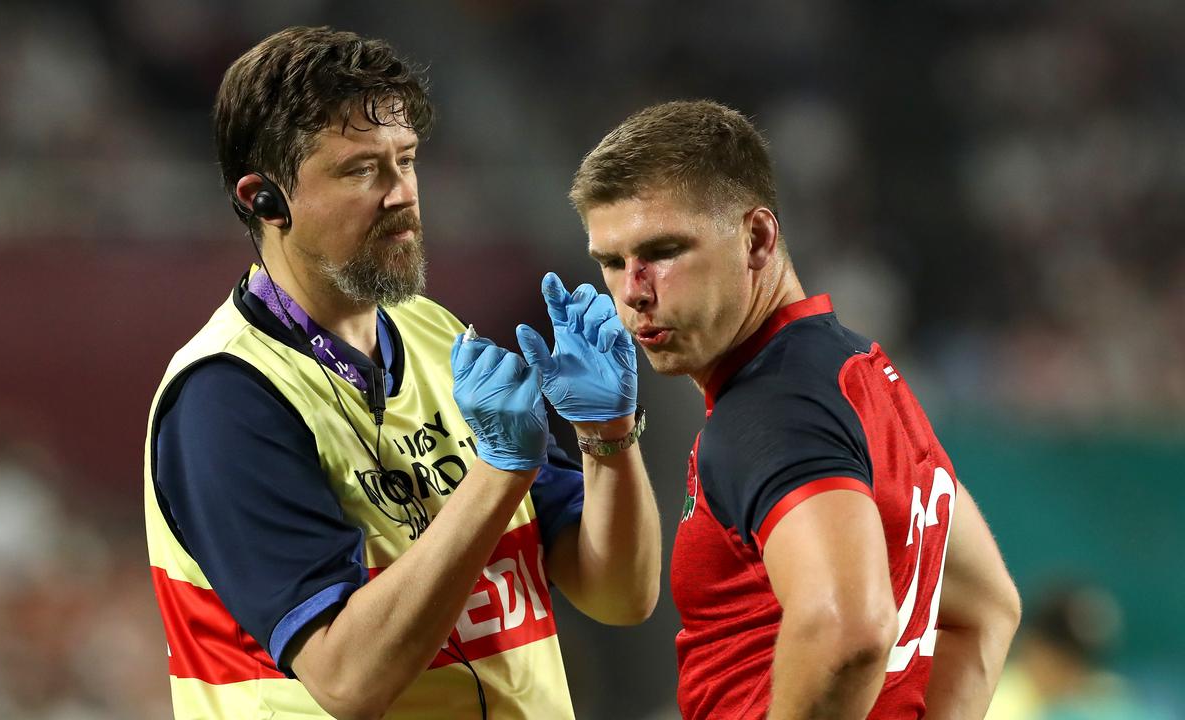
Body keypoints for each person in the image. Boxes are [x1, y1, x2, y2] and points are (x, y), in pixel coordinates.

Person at [142, 27, 660, 720]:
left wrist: (607, 438)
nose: (401, 194)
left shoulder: (436, 333)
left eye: (406, 160)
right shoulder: (224, 398)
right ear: (264, 199)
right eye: (360, 171)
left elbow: (618, 594)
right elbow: (347, 677)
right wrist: (499, 471)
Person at [566, 99, 1022, 719]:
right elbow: (986, 608)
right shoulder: (857, 371)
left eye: (663, 251)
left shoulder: (769, 413)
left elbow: (850, 631)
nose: (632, 291)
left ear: (756, 239)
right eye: (611, 262)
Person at [987, 582, 1173, 720]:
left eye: (1082, 660)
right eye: (1062, 659)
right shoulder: (996, 704)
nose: (1074, 672)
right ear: (1033, 645)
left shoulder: (1105, 695)